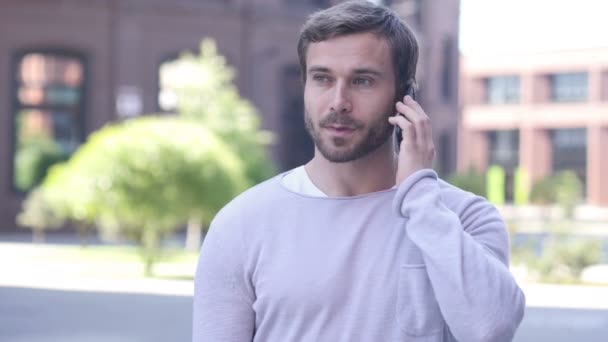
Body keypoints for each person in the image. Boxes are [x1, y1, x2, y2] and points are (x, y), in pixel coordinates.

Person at [192, 1, 525, 341]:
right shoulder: (242, 224)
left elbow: (491, 330)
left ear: (405, 96)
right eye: (322, 78)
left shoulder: (465, 218)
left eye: (362, 81)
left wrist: (420, 198)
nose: (338, 101)